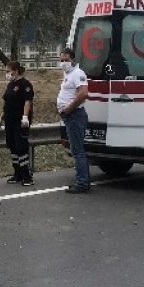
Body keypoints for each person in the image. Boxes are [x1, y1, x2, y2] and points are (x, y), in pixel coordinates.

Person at [0, 61, 35, 186]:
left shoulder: (25, 84)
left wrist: (25, 117)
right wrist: (1, 118)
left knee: (21, 147)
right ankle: (17, 174)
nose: (7, 73)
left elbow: (27, 101)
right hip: (9, 120)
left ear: (16, 70)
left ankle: (26, 176)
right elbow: (7, 104)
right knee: (12, 146)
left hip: (20, 121)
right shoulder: (10, 85)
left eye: (8, 71)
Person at [57, 48, 90, 194]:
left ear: (73, 60)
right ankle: (81, 180)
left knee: (77, 151)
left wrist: (69, 108)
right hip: (70, 116)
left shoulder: (78, 73)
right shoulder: (68, 75)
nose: (64, 63)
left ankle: (82, 183)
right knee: (76, 149)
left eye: (66, 60)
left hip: (75, 115)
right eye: (61, 60)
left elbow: (83, 93)